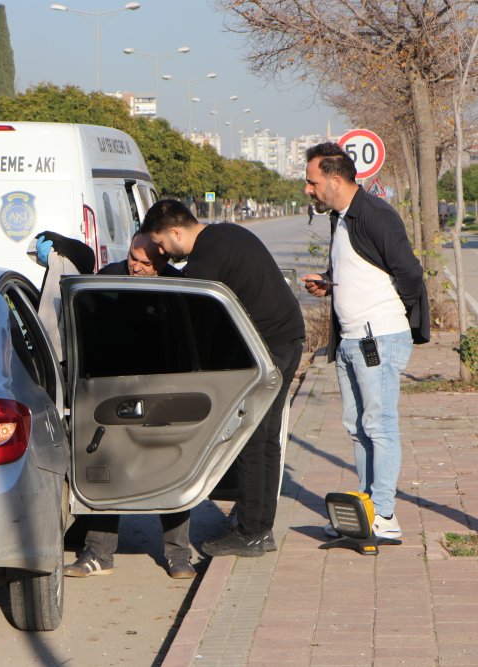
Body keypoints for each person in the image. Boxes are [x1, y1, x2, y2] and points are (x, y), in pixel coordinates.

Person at [142, 199, 305, 558]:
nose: (163, 251)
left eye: (162, 243)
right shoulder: (225, 235)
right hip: (285, 340)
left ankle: (251, 531)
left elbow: (193, 324)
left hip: (268, 351)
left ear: (175, 231)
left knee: (250, 439)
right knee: (264, 440)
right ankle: (258, 526)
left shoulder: (204, 260)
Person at [40, 231, 197, 579]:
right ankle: (98, 552)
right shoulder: (108, 277)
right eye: (132, 258)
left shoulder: (180, 286)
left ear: (162, 263)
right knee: (106, 466)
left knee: (170, 468)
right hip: (111, 386)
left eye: (145, 263)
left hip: (164, 388)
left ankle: (178, 554)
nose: (136, 267)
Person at [301, 142, 428, 540]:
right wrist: (328, 282)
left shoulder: (376, 215)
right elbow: (359, 265)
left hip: (378, 337)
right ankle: (367, 507)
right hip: (351, 340)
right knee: (356, 427)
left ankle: (385, 516)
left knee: (379, 425)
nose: (308, 189)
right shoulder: (341, 217)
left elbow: (409, 273)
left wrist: (395, 318)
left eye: (312, 181)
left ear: (335, 180)